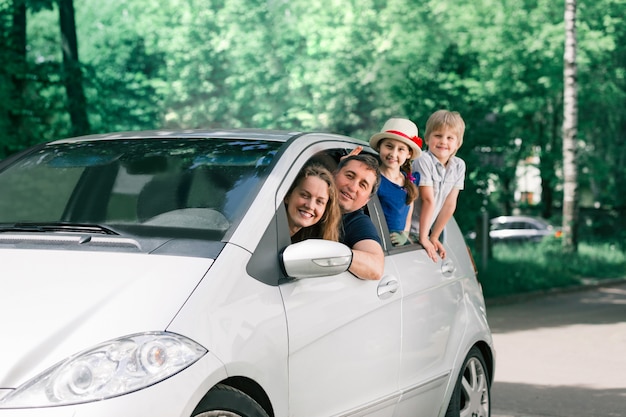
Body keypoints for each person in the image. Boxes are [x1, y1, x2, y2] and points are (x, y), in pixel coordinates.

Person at [411, 110, 466, 262]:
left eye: (450, 138)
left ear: (458, 144)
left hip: (425, 232)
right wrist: (424, 237)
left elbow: (449, 204)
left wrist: (434, 236)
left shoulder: (458, 166)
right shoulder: (423, 159)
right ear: (427, 138)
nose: (443, 141)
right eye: (438, 136)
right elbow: (428, 199)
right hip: (409, 230)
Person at [369, 117, 422, 246]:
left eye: (401, 149)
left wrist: (405, 234)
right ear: (379, 147)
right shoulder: (373, 178)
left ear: (409, 154)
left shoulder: (409, 180)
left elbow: (409, 209)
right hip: (378, 242)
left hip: (398, 245)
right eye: (389, 146)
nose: (393, 153)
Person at [334, 153, 385, 280]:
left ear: (367, 199)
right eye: (349, 176)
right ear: (334, 174)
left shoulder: (357, 222)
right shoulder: (307, 201)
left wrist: (332, 253)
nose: (352, 187)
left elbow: (376, 267)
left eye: (363, 185)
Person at [284, 163, 341, 243]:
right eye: (305, 195)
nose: (310, 206)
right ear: (288, 196)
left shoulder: (318, 242)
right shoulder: (263, 226)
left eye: (319, 201)